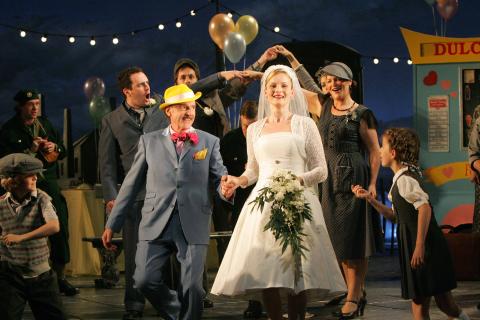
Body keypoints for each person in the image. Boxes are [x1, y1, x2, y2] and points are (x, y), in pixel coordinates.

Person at [212, 65, 346, 320]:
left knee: (297, 268)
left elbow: (321, 170)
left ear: (292, 90)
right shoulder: (255, 129)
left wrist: (298, 180)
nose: (278, 90)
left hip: (298, 200)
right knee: (267, 270)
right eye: (273, 86)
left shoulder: (305, 125)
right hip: (263, 203)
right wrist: (237, 181)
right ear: (265, 90)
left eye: (284, 85)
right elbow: (252, 169)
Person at [101, 83, 231, 320]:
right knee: (143, 280)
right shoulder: (148, 142)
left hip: (193, 221)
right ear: (168, 111)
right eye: (182, 106)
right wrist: (112, 224)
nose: (189, 111)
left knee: (193, 289)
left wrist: (226, 190)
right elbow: (130, 185)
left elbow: (219, 179)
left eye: (191, 106)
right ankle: (176, 312)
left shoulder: (209, 142)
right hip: (155, 221)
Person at [275, 46, 382, 318]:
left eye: (339, 79)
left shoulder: (362, 113)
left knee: (353, 241)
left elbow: (374, 151)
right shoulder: (322, 106)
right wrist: (289, 59)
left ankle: (354, 298)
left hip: (353, 179)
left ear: (350, 83)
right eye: (329, 80)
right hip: (327, 179)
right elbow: (299, 87)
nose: (333, 84)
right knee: (336, 241)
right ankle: (352, 291)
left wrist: (371, 185)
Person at [352, 128, 470, 320]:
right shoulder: (401, 179)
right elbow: (397, 217)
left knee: (425, 304)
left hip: (425, 247)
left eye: (383, 146)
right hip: (421, 246)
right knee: (442, 303)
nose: (379, 150)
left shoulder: (405, 179)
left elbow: (424, 208)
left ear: (393, 153)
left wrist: (419, 246)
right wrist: (371, 200)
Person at [0, 89, 79, 296]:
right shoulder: (9, 130)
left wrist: (56, 147)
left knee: (60, 228)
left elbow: (63, 149)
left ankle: (60, 277)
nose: (35, 108)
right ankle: (16, 278)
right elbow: (6, 163)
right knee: (19, 230)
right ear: (20, 107)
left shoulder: (45, 124)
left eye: (37, 103)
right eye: (30, 104)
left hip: (48, 184)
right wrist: (31, 150)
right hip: (22, 188)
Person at [0, 153, 65, 320]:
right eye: (30, 174)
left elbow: (54, 226)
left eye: (36, 173)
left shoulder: (42, 198)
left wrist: (21, 237)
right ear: (13, 180)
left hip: (41, 277)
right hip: (11, 277)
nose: (35, 177)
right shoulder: (1, 204)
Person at [219, 100, 263, 318]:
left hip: (265, 199)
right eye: (245, 127)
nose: (249, 131)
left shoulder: (267, 137)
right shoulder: (230, 141)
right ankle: (254, 302)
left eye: (253, 125)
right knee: (248, 254)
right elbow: (223, 173)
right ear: (240, 122)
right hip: (240, 203)